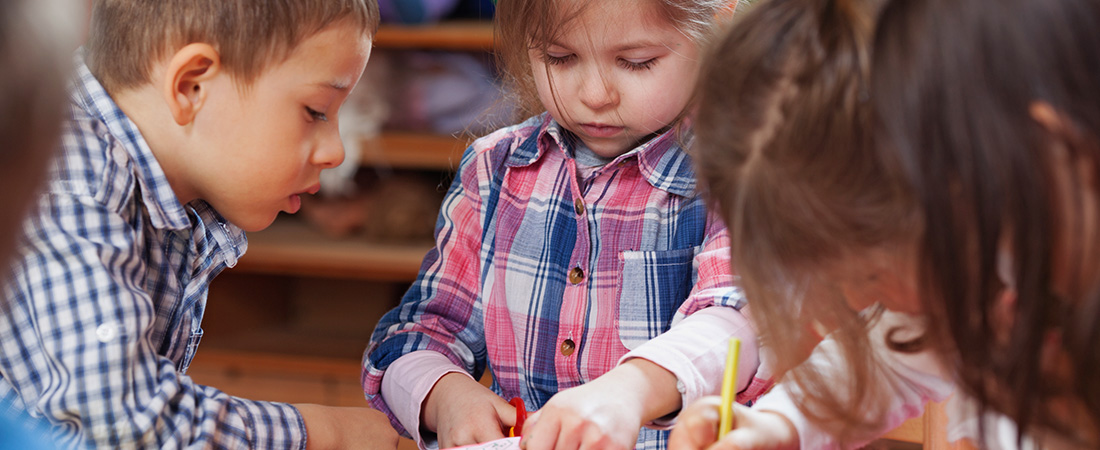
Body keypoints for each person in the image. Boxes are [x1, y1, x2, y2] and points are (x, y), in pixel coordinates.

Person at [670, 0, 1100, 448]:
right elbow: (893, 357)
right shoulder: (985, 243)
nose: (858, 300)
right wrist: (779, 426)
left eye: (870, 275)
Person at [362, 1, 768, 449]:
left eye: (636, 62)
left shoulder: (738, 173)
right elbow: (417, 332)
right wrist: (446, 394)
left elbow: (742, 321)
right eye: (560, 57)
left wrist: (631, 392)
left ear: (715, 35)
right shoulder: (493, 170)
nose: (595, 94)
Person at [0, 0, 401, 448]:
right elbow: (125, 424)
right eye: (316, 110)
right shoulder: (77, 187)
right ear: (191, 86)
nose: (336, 152)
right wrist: (323, 433)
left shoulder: (159, 180)